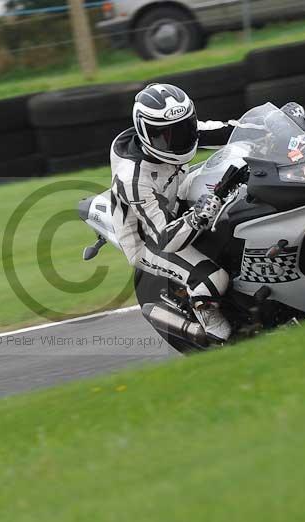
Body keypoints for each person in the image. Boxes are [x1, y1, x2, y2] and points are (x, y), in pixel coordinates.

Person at [109, 83, 233, 342]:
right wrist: (197, 217)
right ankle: (208, 322)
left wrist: (277, 124)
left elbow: (232, 131)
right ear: (146, 134)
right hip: (148, 238)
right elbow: (164, 237)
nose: (177, 140)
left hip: (175, 198)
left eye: (183, 128)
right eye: (164, 136)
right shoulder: (133, 177)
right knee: (213, 279)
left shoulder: (185, 132)